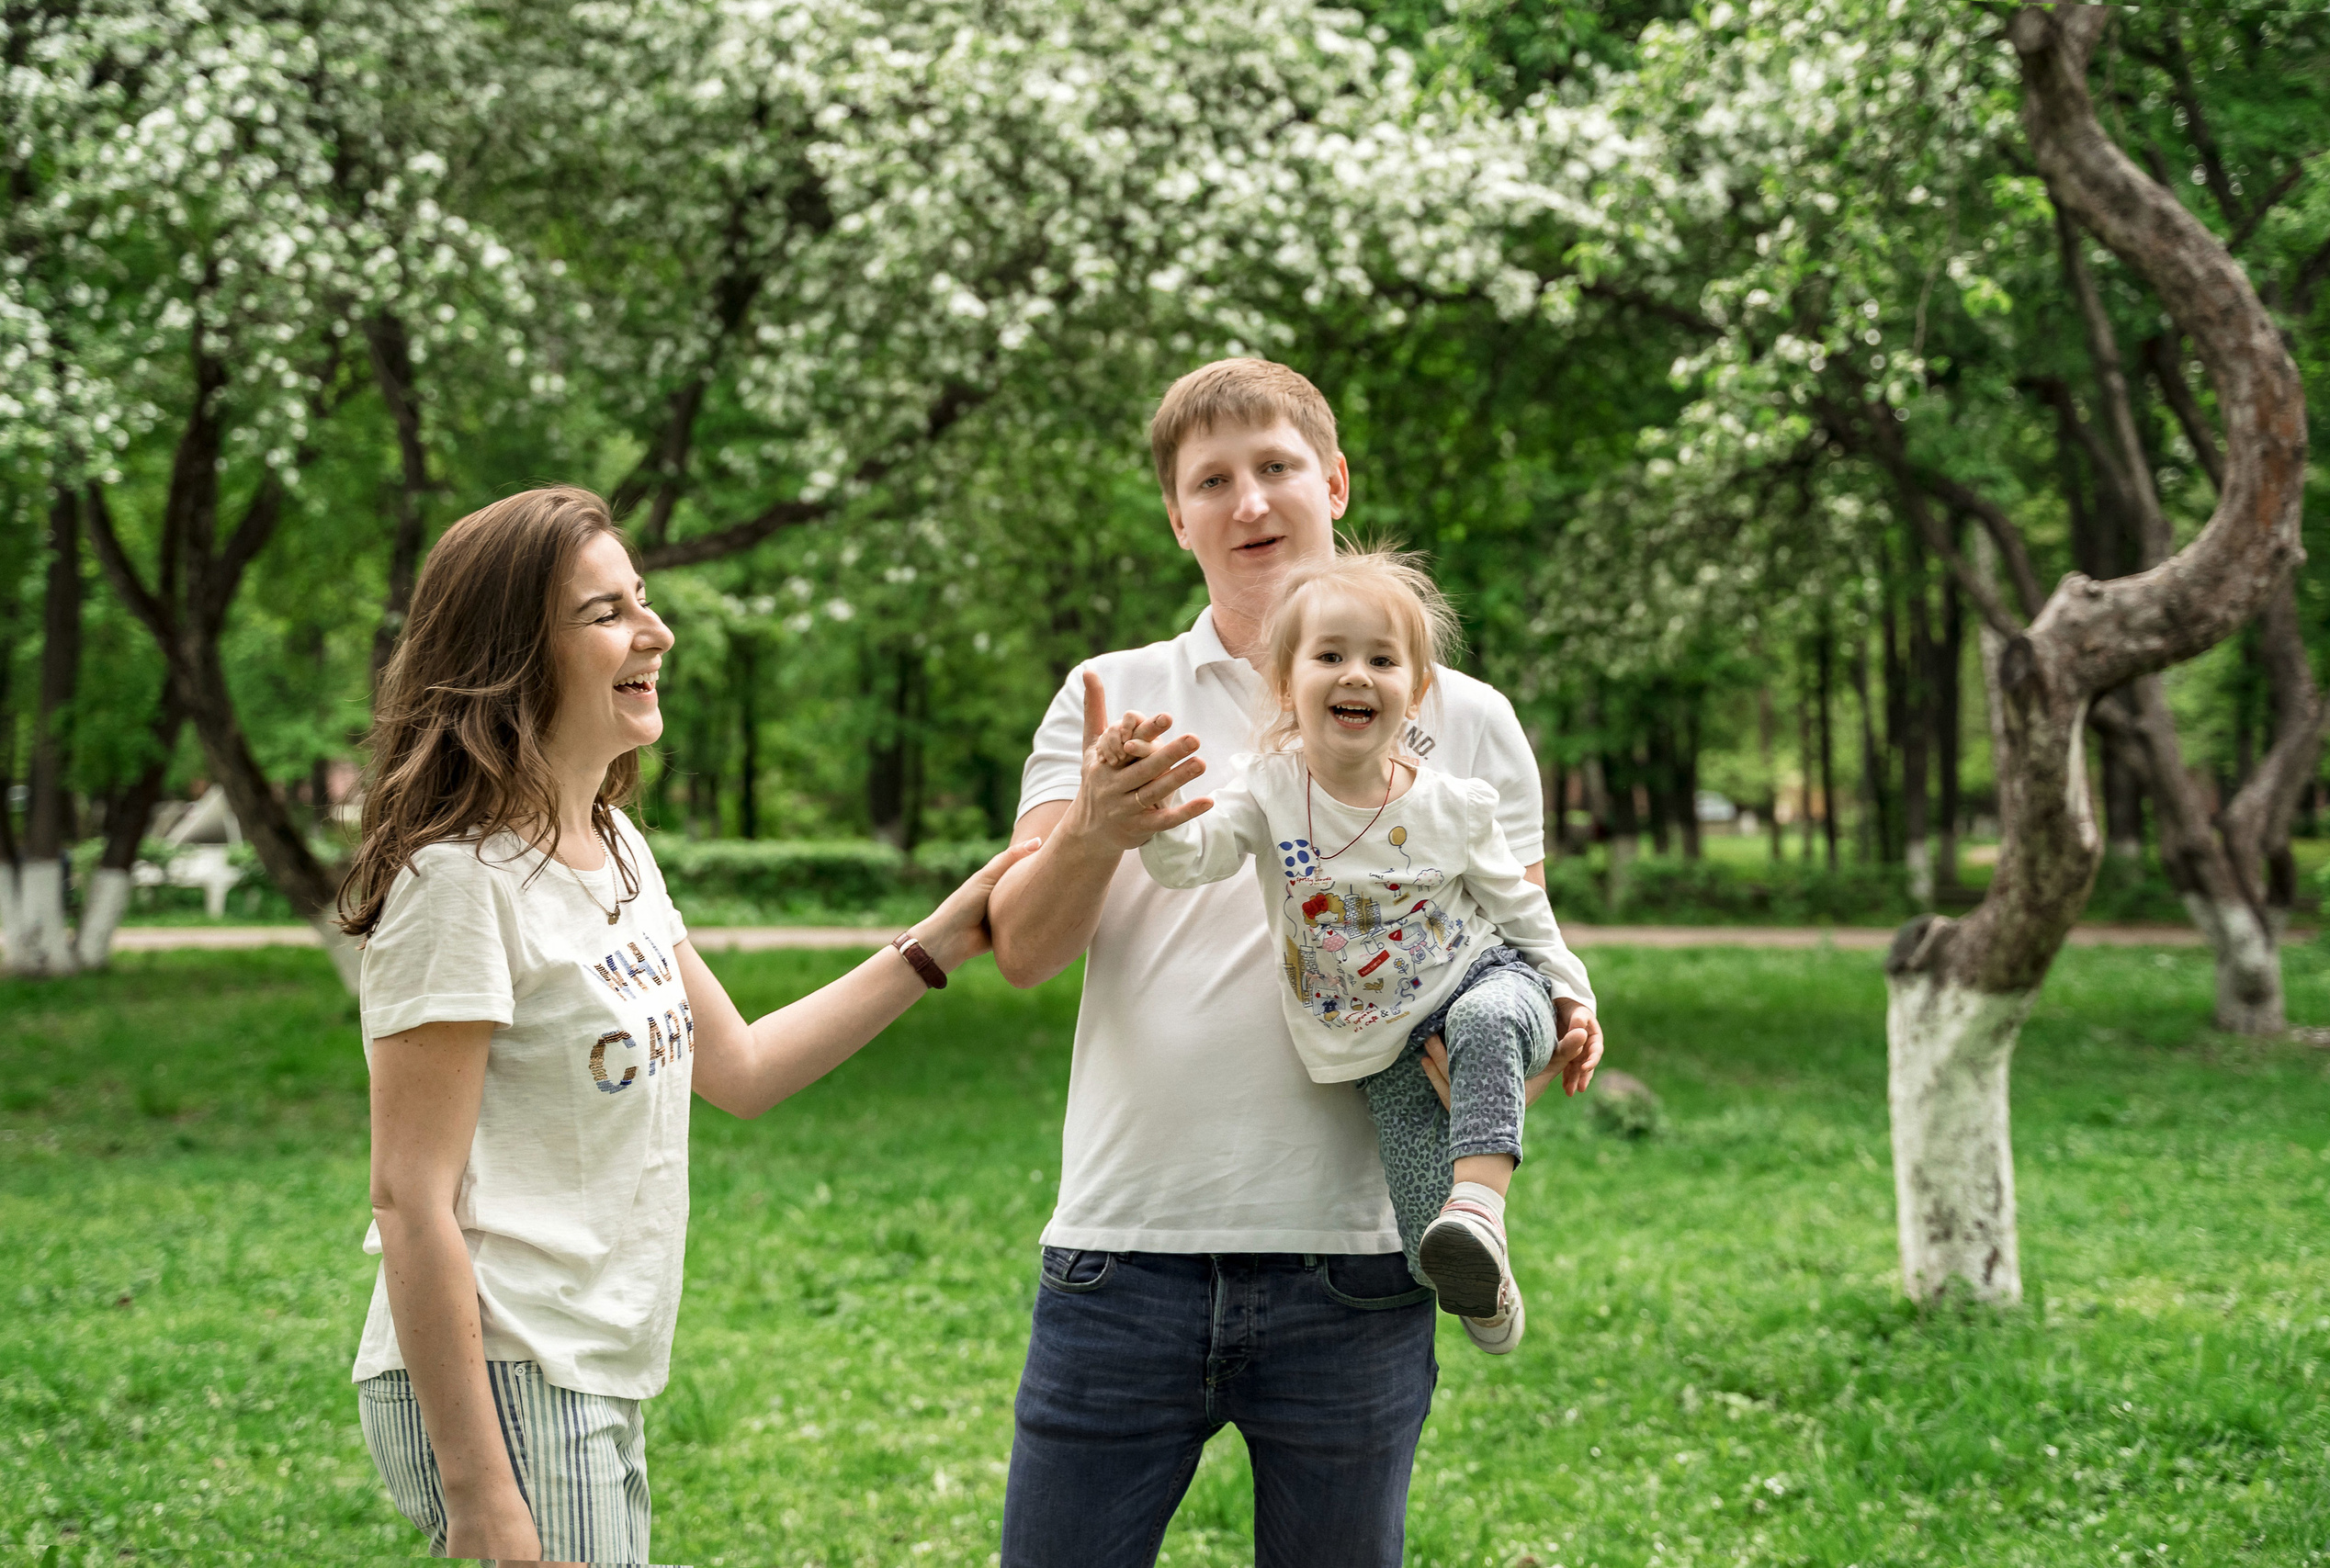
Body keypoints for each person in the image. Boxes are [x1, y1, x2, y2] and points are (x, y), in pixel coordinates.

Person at [337, 486, 1032, 1564]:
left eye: (643, 600)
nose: (654, 632)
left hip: (594, 1357)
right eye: (605, 612)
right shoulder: (457, 882)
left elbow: (742, 1067)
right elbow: (408, 1198)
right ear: (514, 652)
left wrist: (937, 943)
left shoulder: (612, 846)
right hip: (510, 1367)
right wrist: (480, 1490)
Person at [986, 358, 1604, 1568]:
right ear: (1177, 516)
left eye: (1275, 466)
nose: (1249, 501)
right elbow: (1022, 946)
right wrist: (1105, 825)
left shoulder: (1464, 714)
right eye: (1211, 479)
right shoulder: (1111, 692)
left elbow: (1512, 959)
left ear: (1333, 479)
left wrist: (1532, 1038)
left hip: (1358, 1266)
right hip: (1124, 1252)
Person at [1114, 544, 1596, 1357]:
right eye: (1330, 655)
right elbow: (1191, 861)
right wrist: (1156, 813)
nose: (1356, 674)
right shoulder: (1269, 791)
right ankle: (1485, 1279)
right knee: (1425, 1240)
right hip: (1379, 1047)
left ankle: (1484, 1204)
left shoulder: (1453, 805)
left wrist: (1569, 991)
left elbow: (1520, 903)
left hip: (1481, 975)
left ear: (1416, 690)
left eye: (1382, 659)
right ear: (1287, 682)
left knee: (1487, 1017)